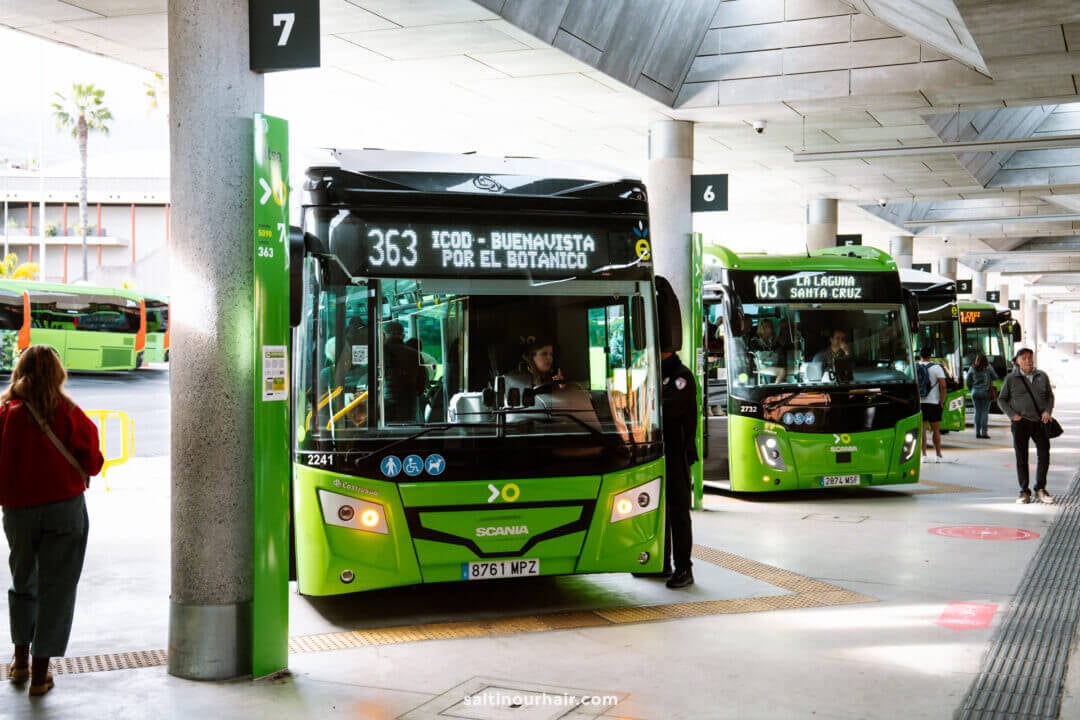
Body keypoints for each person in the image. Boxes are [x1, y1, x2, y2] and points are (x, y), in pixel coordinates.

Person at [0, 345, 104, 697]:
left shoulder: (5, 412)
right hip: (64, 508)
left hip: (17, 511)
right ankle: (41, 675)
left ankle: (19, 662)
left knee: (22, 580)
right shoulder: (69, 412)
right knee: (57, 589)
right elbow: (92, 462)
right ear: (58, 373)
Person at [660, 346, 698, 589]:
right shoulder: (654, 372)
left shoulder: (680, 376)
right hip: (655, 450)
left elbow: (668, 410)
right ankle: (659, 562)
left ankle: (684, 567)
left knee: (678, 510)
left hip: (676, 453)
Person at [998, 347, 1056, 504]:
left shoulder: (1041, 376)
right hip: (1020, 423)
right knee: (1021, 457)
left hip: (1040, 422)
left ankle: (1041, 489)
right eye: (1023, 358)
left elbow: (1050, 396)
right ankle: (1024, 491)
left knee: (1044, 455)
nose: (1028, 360)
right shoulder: (1011, 379)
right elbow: (1001, 399)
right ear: (1017, 361)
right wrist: (1012, 415)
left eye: (1030, 357)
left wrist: (1047, 411)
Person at [382, 320, 426, 423]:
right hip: (408, 403)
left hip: (386, 404)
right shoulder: (415, 354)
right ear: (403, 335)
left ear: (384, 335)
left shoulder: (380, 352)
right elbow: (421, 385)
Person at [918, 345, 948, 462]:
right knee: (935, 430)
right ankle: (938, 455)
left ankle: (923, 455)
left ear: (920, 355)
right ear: (931, 355)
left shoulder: (915, 367)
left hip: (920, 403)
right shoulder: (936, 368)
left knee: (922, 431)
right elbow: (943, 386)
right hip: (933, 403)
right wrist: (942, 401)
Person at [965, 352, 998, 439]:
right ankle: (984, 433)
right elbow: (995, 377)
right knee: (984, 412)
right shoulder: (988, 367)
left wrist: (971, 388)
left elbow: (968, 381)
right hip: (986, 392)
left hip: (975, 392)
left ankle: (977, 432)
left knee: (977, 411)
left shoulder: (972, 368)